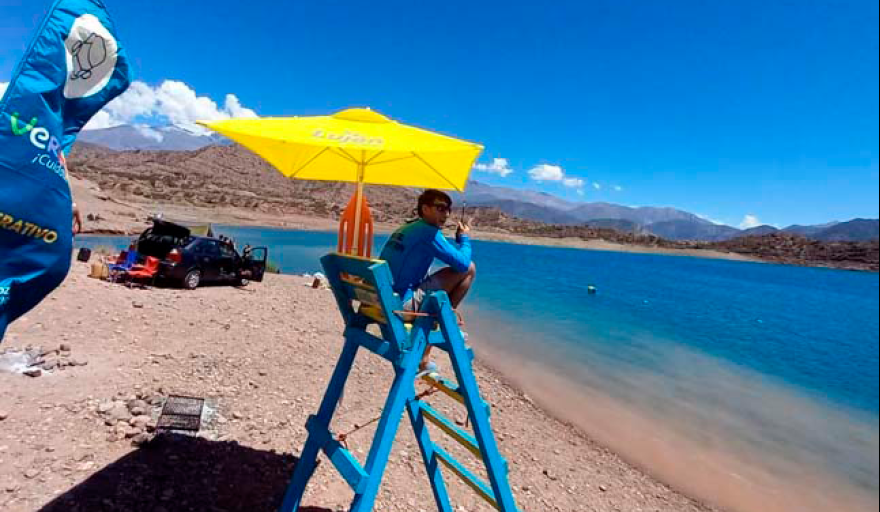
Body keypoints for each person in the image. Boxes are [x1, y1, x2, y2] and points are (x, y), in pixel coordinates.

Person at [379, 189, 476, 370]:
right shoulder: (427, 232)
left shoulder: (407, 228)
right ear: (425, 209)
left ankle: (429, 345)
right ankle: (445, 321)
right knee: (470, 268)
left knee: (442, 279)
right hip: (400, 306)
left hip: (382, 299)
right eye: (440, 208)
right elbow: (462, 265)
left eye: (448, 209)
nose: (446, 214)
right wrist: (464, 239)